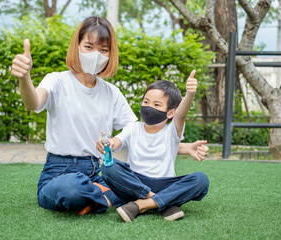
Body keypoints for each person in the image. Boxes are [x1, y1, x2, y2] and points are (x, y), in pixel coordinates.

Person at [11, 16, 208, 215]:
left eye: (103, 50)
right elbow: (33, 102)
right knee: (71, 188)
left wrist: (184, 147)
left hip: (97, 172)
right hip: (59, 172)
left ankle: (103, 200)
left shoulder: (112, 92)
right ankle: (141, 198)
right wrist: (25, 77)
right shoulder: (57, 81)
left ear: (110, 54)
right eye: (88, 47)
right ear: (77, 46)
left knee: (123, 171)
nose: (96, 54)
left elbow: (141, 135)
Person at [96, 72, 210, 222]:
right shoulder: (133, 128)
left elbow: (180, 116)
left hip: (164, 184)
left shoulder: (171, 131)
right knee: (108, 166)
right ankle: (160, 202)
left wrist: (189, 94)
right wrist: (109, 142)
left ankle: (141, 205)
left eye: (157, 105)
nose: (149, 107)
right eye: (146, 102)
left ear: (170, 113)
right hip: (135, 182)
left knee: (201, 180)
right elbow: (117, 141)